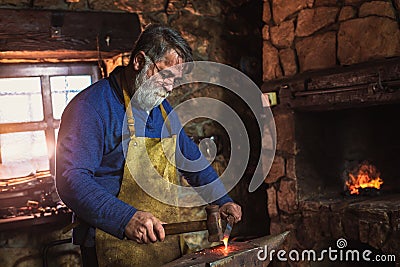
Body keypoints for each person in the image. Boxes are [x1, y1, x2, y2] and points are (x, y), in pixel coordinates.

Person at [56, 24, 242, 267]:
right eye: (166, 76)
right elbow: (71, 179)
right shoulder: (90, 107)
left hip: (162, 241)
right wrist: (126, 219)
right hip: (108, 243)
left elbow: (192, 160)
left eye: (175, 81)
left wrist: (222, 200)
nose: (170, 88)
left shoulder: (163, 111)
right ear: (139, 61)